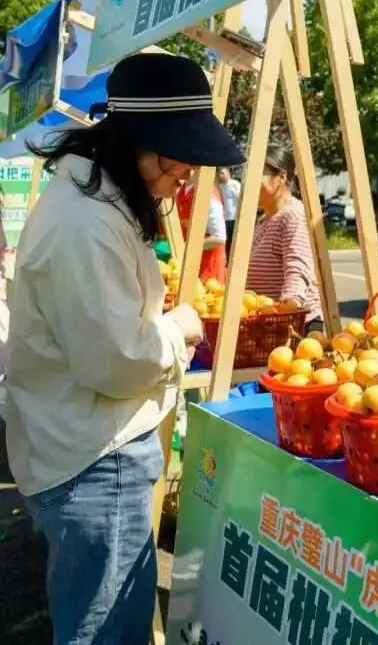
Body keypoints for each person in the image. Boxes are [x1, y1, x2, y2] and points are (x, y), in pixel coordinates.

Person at [4, 53, 244, 644]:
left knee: (97, 618)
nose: (186, 171)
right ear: (137, 143)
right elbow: (115, 363)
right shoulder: (87, 224)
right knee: (105, 630)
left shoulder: (90, 198)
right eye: (177, 157)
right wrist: (178, 328)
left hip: (78, 445)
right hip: (96, 457)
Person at [246, 142, 323, 332]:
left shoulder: (292, 216)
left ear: (281, 177)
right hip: (268, 325)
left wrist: (286, 310)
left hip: (294, 326)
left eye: (257, 174)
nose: (248, 181)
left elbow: (298, 270)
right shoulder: (264, 219)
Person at [176, 176, 227, 282]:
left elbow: (219, 238)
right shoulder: (182, 189)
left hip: (207, 266)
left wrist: (186, 249)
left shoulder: (207, 191)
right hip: (190, 262)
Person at [217, 165, 241, 256]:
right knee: (225, 240)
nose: (221, 175)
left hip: (234, 218)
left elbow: (240, 199)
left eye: (222, 173)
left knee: (233, 240)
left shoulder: (235, 184)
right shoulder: (219, 186)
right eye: (219, 174)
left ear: (228, 173)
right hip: (223, 218)